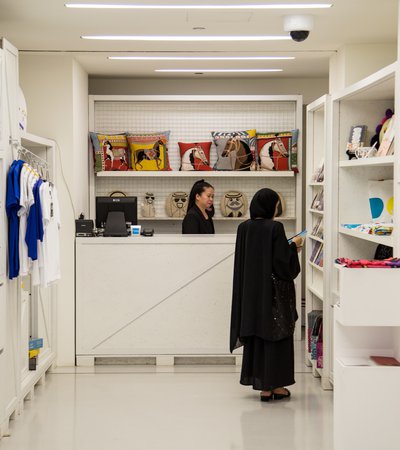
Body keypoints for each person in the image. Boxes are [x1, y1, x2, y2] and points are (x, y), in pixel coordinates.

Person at [229, 188, 303, 402]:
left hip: (251, 294)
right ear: (271, 206)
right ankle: (277, 387)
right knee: (276, 336)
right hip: (273, 295)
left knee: (257, 336)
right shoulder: (275, 227)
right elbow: (282, 264)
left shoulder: (243, 228)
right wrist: (294, 247)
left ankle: (263, 388)